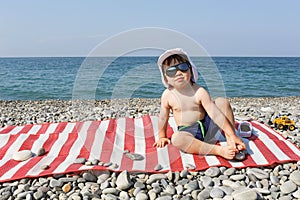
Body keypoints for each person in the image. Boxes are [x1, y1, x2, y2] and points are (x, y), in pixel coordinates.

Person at [153, 48, 246, 159]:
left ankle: (231, 139)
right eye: (171, 71)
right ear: (166, 78)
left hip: (207, 127)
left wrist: (231, 134)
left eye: (182, 68)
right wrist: (162, 136)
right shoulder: (167, 95)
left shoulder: (199, 91)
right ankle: (218, 150)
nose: (178, 73)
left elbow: (215, 114)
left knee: (222, 102)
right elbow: (163, 117)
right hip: (188, 132)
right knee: (176, 139)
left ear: (191, 71)